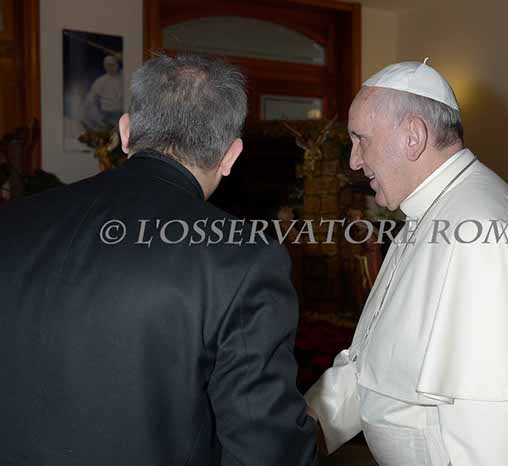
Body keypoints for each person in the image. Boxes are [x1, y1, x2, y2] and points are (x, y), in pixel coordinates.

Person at [0, 54, 318, 465]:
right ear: (230, 155)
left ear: (125, 132)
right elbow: (264, 449)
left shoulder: (12, 221)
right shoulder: (241, 256)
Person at [305, 59, 508, 466]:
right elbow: (374, 366)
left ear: (413, 137)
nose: (355, 161)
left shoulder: (481, 234)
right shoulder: (429, 211)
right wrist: (302, 427)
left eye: (361, 140)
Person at [82, 55, 124, 129]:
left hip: (122, 113)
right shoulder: (100, 81)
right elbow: (90, 99)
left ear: (117, 65)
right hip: (106, 114)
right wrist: (97, 117)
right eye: (108, 65)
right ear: (104, 66)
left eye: (112, 65)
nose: (110, 68)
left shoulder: (124, 78)